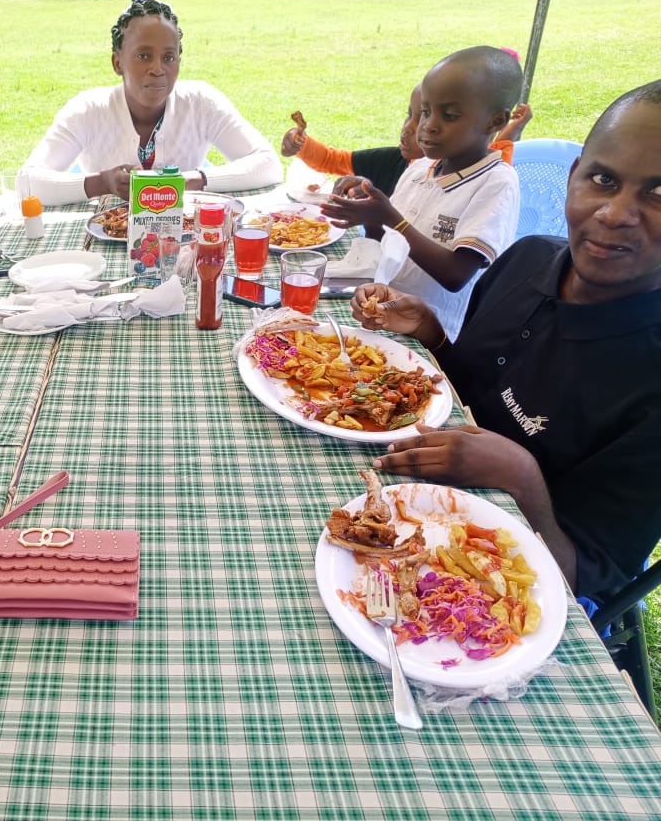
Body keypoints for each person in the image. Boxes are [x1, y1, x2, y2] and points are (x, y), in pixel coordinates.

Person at [348, 79, 661, 605]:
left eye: (658, 193)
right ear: (574, 175)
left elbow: (583, 582)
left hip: (507, 579)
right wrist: (430, 331)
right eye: (604, 179)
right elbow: (468, 386)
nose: (613, 213)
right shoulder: (528, 258)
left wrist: (522, 476)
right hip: (404, 495)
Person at [321, 46, 522, 340]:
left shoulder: (496, 183)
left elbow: (455, 275)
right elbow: (385, 244)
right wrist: (370, 213)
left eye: (449, 115)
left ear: (495, 121)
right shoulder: (419, 169)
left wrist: (391, 218)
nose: (428, 126)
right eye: (426, 112)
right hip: (381, 317)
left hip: (432, 339)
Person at [20, 0, 282, 206]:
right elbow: (28, 182)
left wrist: (188, 180)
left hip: (184, 245)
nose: (158, 69)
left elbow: (268, 164)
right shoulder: (88, 111)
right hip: (105, 241)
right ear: (117, 62)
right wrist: (104, 183)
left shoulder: (201, 103)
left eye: (169, 57)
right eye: (143, 56)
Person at [281, 89, 533, 197]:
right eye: (410, 115)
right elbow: (331, 159)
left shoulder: (465, 180)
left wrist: (508, 133)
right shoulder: (393, 161)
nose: (408, 128)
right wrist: (300, 142)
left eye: (422, 116)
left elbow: (492, 161)